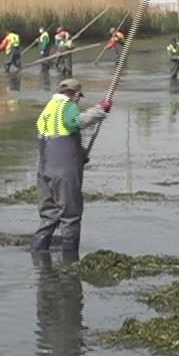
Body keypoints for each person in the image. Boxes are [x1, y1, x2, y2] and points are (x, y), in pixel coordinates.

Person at [31, 78, 111, 259]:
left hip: (44, 170)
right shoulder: (68, 106)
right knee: (70, 216)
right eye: (78, 97)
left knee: (49, 215)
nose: (78, 101)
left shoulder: (48, 110)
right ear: (75, 95)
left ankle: (38, 255)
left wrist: (80, 153)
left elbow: (60, 136)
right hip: (64, 172)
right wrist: (100, 111)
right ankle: (70, 261)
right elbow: (75, 123)